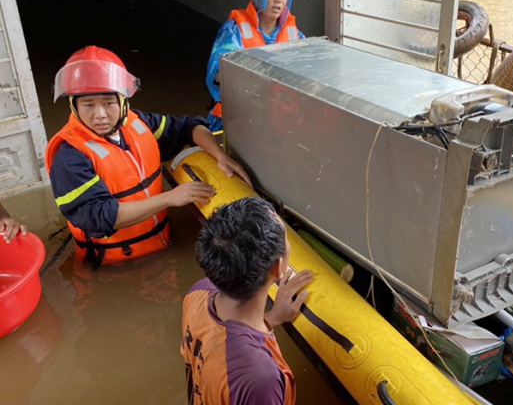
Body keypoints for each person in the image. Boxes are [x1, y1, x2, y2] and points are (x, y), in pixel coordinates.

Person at [45, 46, 250, 270]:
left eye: (108, 102)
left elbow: (189, 126)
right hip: (114, 266)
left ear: (123, 102)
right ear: (74, 107)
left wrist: (220, 155)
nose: (100, 114)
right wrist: (170, 198)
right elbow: (101, 217)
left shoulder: (137, 123)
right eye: (88, 105)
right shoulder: (69, 157)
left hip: (160, 244)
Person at [181, 197, 313, 405]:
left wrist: (271, 319)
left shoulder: (197, 293)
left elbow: (220, 343)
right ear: (278, 267)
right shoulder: (260, 379)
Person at [205, 0, 305, 131]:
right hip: (238, 117)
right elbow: (218, 73)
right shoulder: (234, 30)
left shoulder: (295, 35)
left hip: (279, 120)